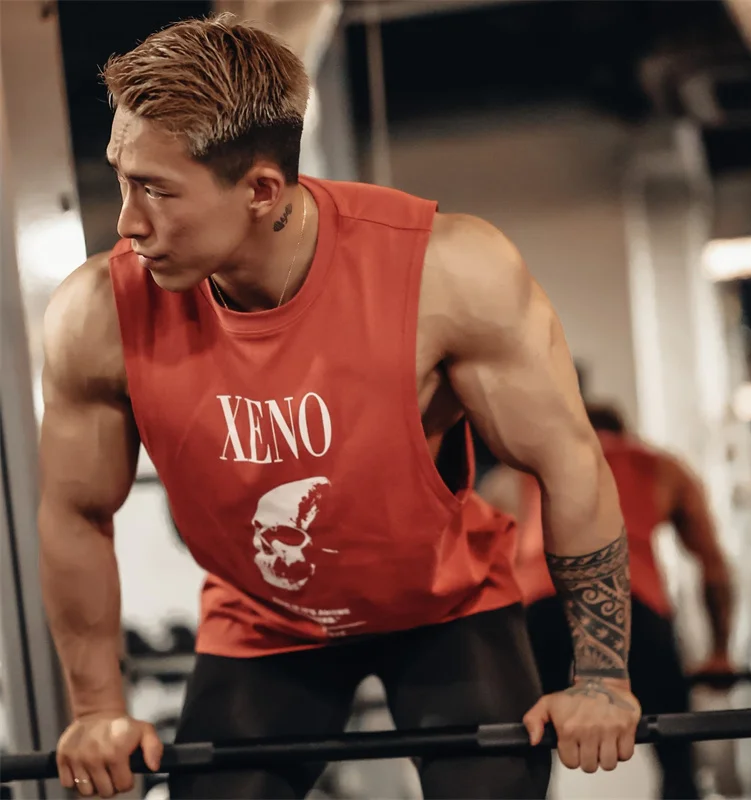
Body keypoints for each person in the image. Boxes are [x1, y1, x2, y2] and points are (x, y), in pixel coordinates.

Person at [38, 15, 641, 800]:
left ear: (261, 190)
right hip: (262, 619)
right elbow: (75, 511)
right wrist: (97, 711)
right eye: (123, 179)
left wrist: (601, 678)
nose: (127, 222)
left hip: (445, 605)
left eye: (156, 190)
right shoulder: (98, 314)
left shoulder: (446, 275)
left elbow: (568, 464)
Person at [481, 401, 735, 799]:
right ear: (624, 432)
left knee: (523, 753)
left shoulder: (517, 473)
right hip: (633, 606)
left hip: (540, 609)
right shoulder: (661, 467)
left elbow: (482, 570)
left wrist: (488, 665)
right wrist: (720, 652)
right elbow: (714, 569)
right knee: (676, 753)